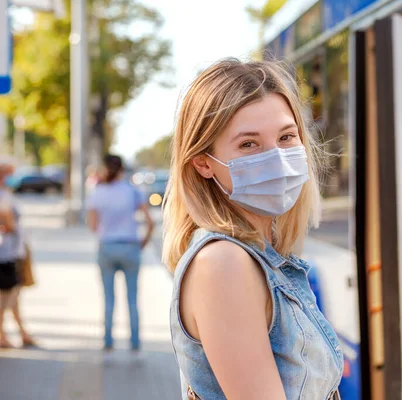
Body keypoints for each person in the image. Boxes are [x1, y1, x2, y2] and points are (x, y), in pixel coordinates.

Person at [163, 59, 343, 400]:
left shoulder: (261, 256)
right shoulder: (223, 263)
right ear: (203, 162)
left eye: (287, 136)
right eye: (249, 144)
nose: (276, 157)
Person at [87, 155, 155, 351]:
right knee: (133, 298)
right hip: (130, 246)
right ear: (121, 170)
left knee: (108, 298)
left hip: (107, 247)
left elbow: (92, 226)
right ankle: (135, 342)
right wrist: (143, 242)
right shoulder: (133, 191)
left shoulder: (97, 192)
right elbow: (150, 222)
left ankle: (108, 341)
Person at [0, 160, 20, 348]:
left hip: (9, 251)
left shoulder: (6, 195)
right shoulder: (4, 197)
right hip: (5, 253)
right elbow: (9, 222)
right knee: (8, 293)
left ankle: (21, 331)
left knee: (12, 294)